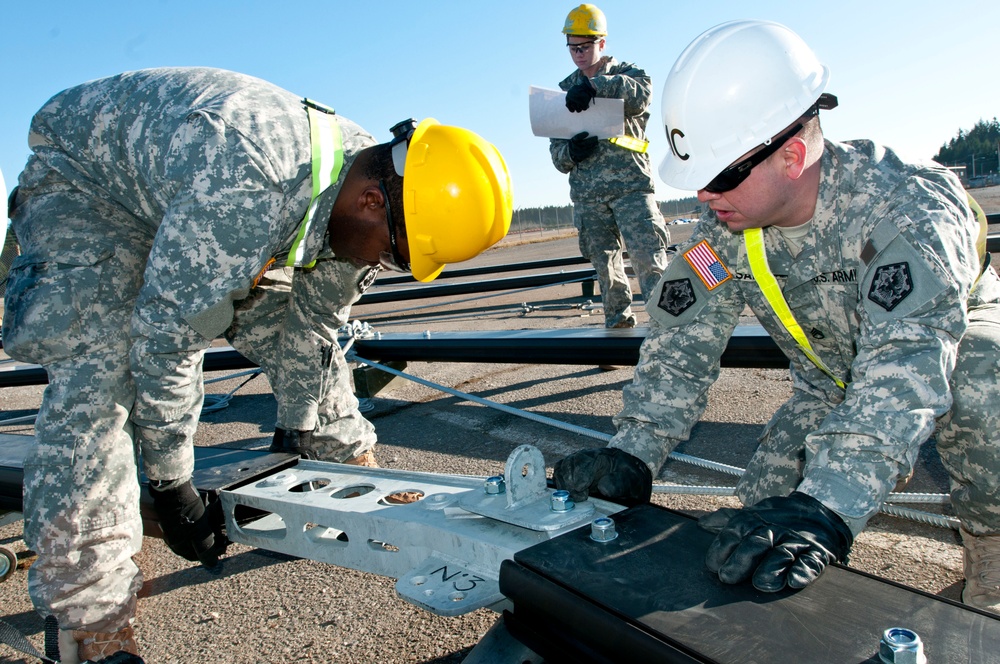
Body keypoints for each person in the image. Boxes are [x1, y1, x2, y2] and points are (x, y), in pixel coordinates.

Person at [2, 66, 512, 662]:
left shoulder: (369, 189)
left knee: (276, 322)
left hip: (189, 196)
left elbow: (311, 325)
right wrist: (172, 484)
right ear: (372, 202)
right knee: (105, 369)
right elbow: (167, 340)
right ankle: (91, 619)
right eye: (394, 255)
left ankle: (347, 465)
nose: (387, 266)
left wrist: (298, 424)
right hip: (90, 188)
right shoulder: (248, 180)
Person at [553, 20, 1000, 614]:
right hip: (829, 384)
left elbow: (906, 365)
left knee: (981, 381)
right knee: (757, 527)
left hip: (946, 356)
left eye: (716, 177)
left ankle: (991, 554)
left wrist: (829, 508)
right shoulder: (723, 233)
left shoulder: (906, 210)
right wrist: (636, 450)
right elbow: (679, 341)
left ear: (791, 156)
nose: (703, 197)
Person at [549, 4, 670, 330]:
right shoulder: (561, 93)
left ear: (602, 43)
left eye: (585, 47)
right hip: (589, 196)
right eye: (572, 48)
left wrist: (594, 87)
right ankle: (618, 331)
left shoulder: (630, 75)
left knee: (650, 263)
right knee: (606, 268)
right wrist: (571, 152)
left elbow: (640, 97)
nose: (578, 54)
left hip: (631, 188)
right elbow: (557, 157)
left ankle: (668, 336)